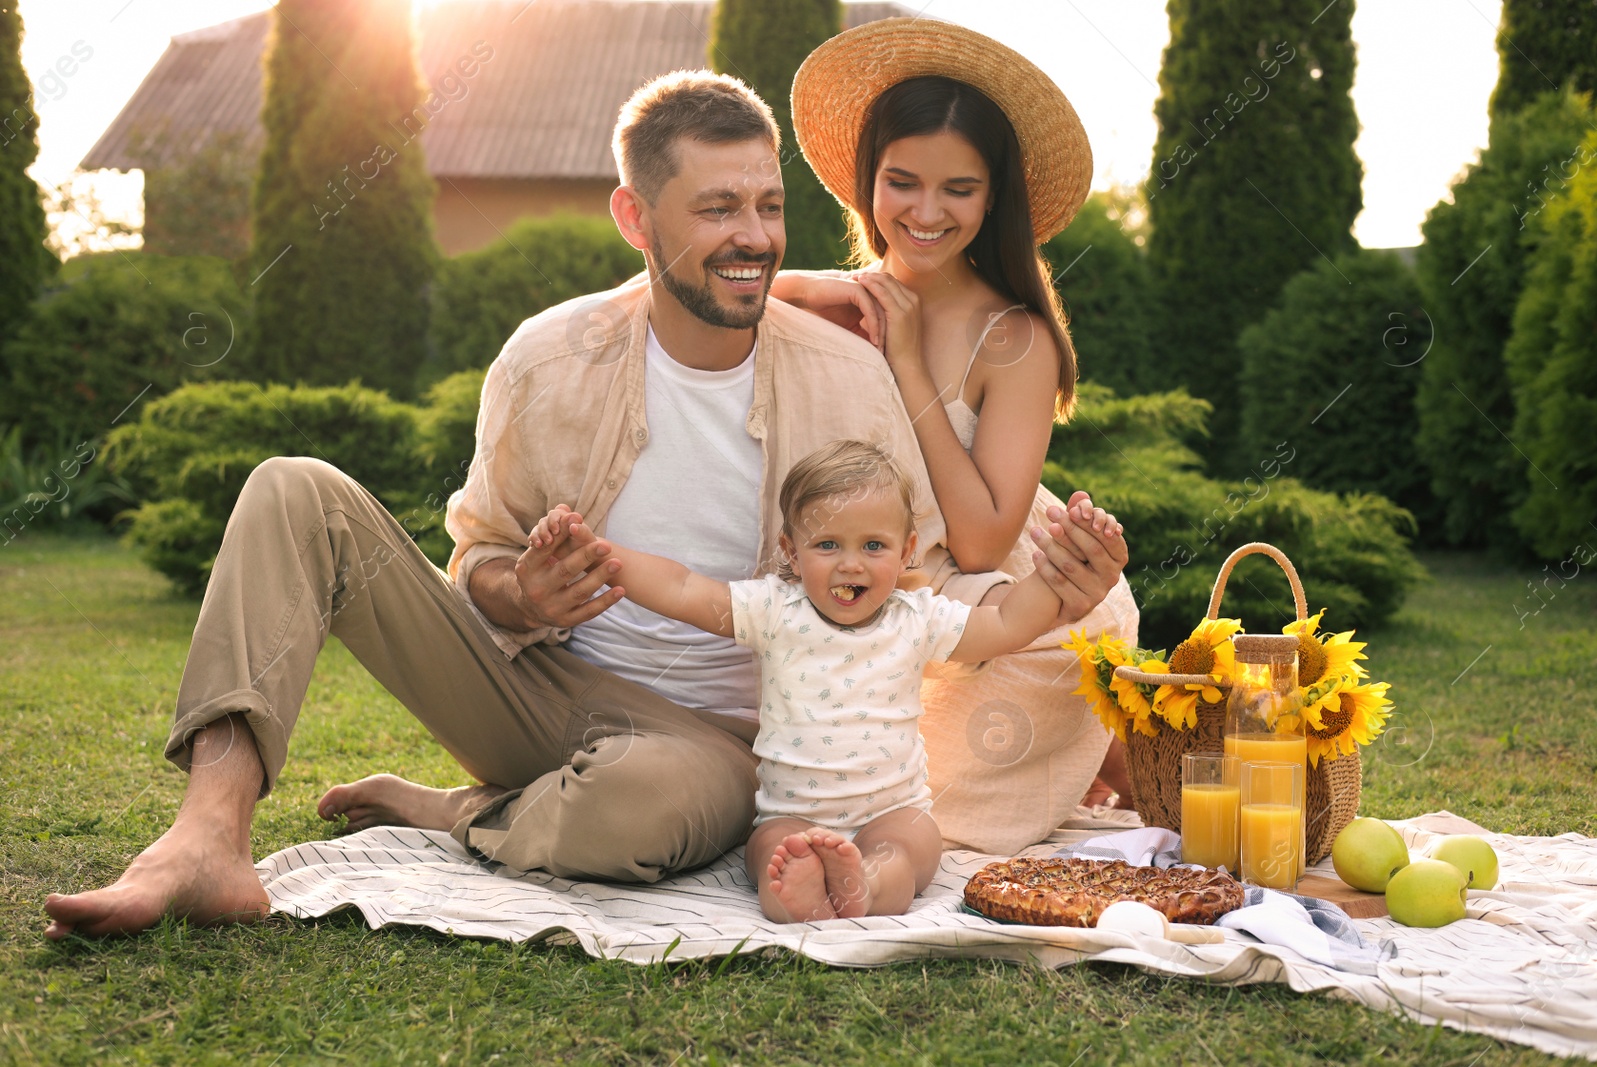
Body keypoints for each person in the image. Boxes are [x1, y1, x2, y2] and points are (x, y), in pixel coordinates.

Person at [42, 69, 1124, 940]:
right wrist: (521, 588)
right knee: (293, 489)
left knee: (636, 805)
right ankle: (204, 837)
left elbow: (906, 593)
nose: (752, 236)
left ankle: (454, 810)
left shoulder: (849, 378)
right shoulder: (547, 356)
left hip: (708, 746)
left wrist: (1043, 594)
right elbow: (476, 559)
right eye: (715, 208)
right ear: (633, 215)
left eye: (766, 205)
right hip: (536, 689)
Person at [772, 18, 1142, 844]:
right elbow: (689, 303)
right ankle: (1115, 763)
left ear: (994, 196)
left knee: (900, 803)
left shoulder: (1016, 339)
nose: (926, 212)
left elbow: (978, 543)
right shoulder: (827, 304)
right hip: (868, 589)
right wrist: (799, 285)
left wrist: (906, 365)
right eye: (902, 181)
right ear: (869, 180)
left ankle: (1109, 755)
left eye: (959, 190)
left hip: (1015, 614)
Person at [531, 440, 1066, 921]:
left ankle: (870, 883)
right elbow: (682, 587)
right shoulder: (774, 611)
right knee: (771, 854)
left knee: (906, 851)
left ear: (907, 551)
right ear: (791, 552)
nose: (850, 565)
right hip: (791, 816)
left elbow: (1005, 623)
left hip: (893, 812)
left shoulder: (918, 618)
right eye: (827, 545)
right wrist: (597, 552)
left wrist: (1056, 573)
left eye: (873, 547)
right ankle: (798, 889)